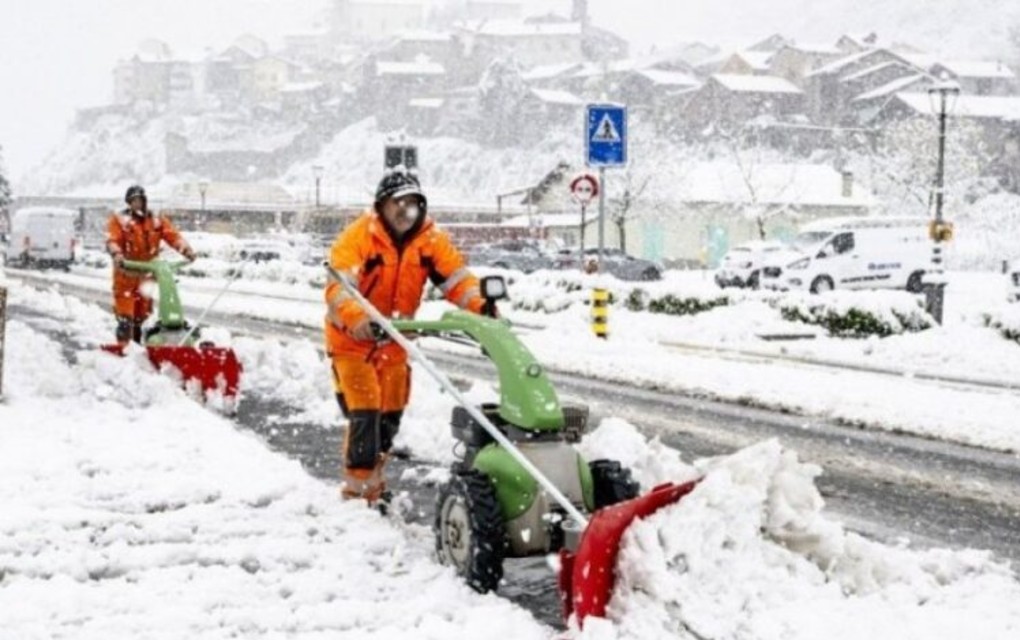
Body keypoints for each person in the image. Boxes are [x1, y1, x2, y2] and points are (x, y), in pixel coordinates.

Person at [324, 168, 490, 505]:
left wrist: (484, 308)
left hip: (395, 341)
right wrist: (358, 318)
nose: (405, 211)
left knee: (390, 415)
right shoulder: (359, 237)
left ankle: (374, 480)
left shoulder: (430, 241)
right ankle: (357, 492)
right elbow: (340, 289)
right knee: (366, 411)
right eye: (397, 203)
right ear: (382, 205)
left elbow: (458, 281)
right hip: (353, 342)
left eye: (412, 203)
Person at [106, 185, 195, 343]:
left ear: (145, 200)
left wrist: (186, 250)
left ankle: (140, 347)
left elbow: (172, 236)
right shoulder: (119, 220)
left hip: (147, 274)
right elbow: (113, 240)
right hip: (126, 274)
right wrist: (117, 254)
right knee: (125, 318)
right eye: (133, 200)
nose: (137, 203)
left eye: (139, 200)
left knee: (142, 317)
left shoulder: (155, 220)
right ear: (128, 203)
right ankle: (123, 348)